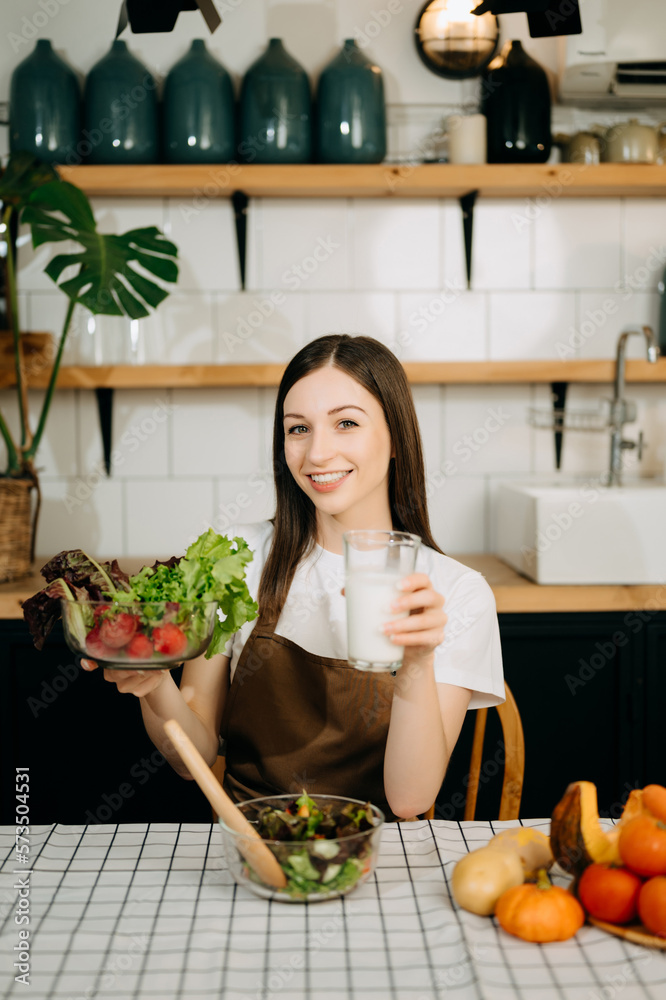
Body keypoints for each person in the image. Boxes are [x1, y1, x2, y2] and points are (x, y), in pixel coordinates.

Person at [83, 334, 504, 820]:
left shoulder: (453, 592)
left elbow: (410, 801)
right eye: (298, 429)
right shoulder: (238, 558)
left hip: (378, 859)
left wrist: (415, 661)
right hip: (250, 851)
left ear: (395, 438)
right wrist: (153, 683)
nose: (317, 454)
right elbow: (192, 757)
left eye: (346, 423)